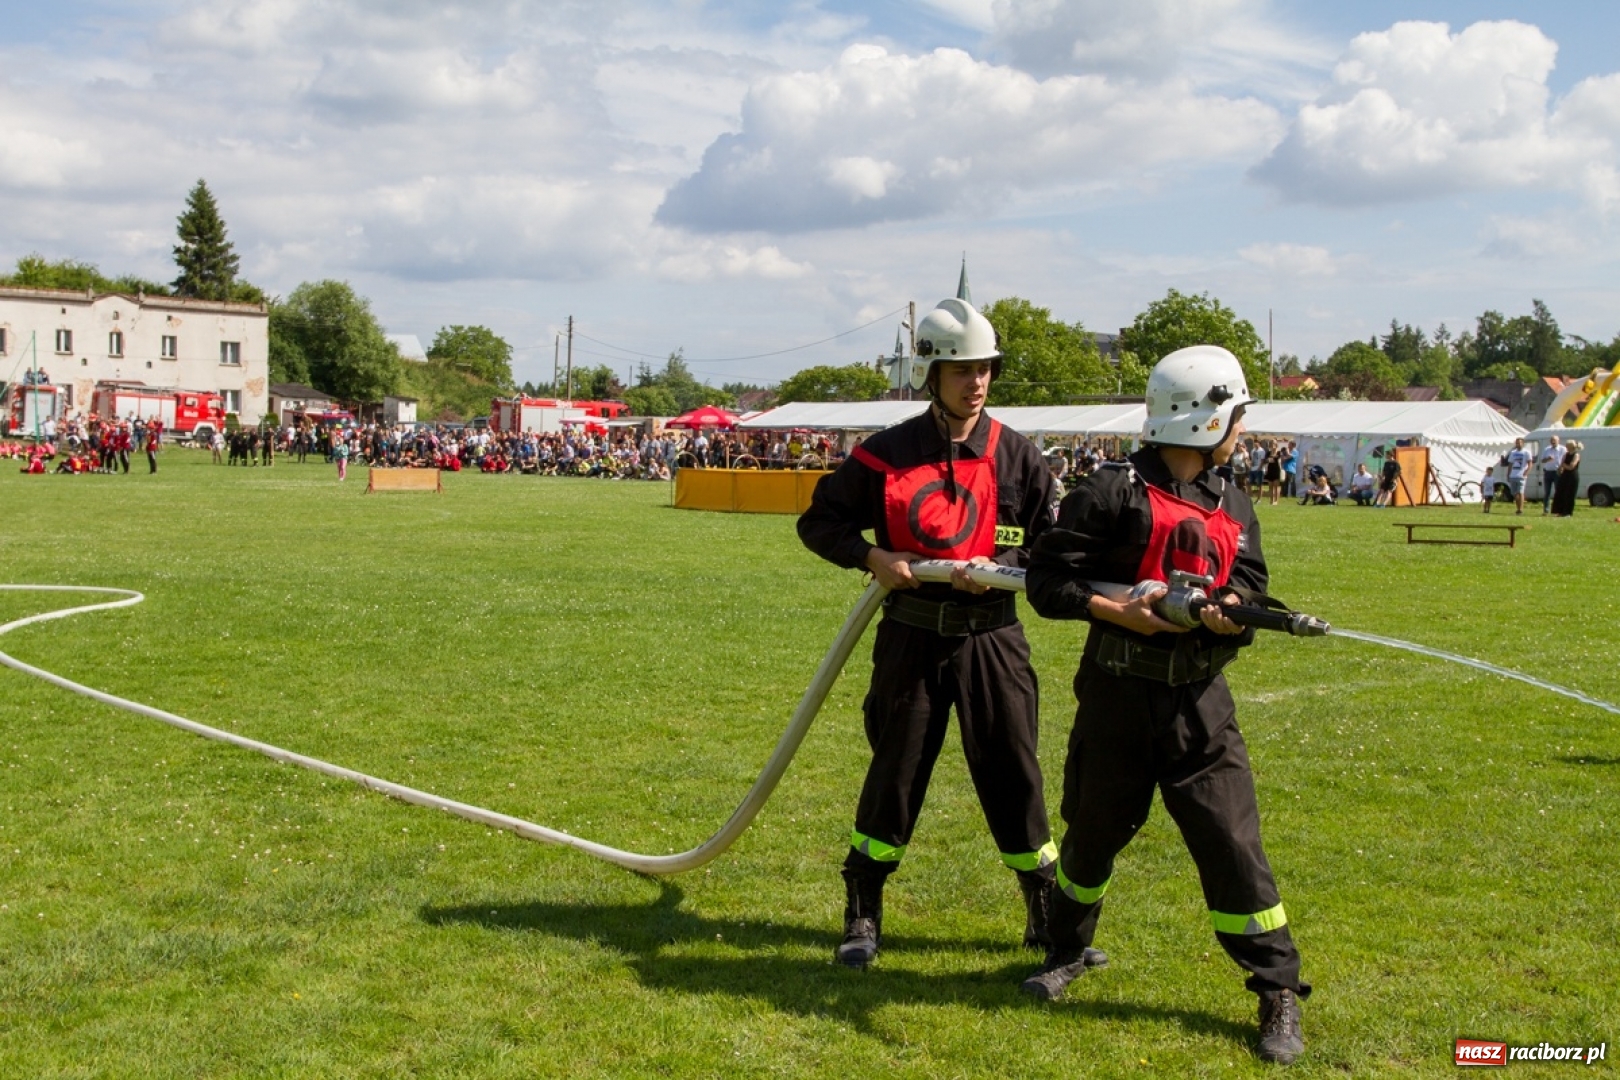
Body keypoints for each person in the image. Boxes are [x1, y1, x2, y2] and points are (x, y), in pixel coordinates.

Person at [1020, 345, 1309, 1066]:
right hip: (1117, 695)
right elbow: (1048, 582)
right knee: (1091, 835)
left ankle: (1276, 989)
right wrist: (1119, 611)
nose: (1241, 428)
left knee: (1233, 844)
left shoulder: (1233, 501)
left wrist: (1233, 609)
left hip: (1199, 706)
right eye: (1238, 415)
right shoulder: (1110, 491)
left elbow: (1250, 584)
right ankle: (1066, 952)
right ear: (1210, 418)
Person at [798, 294, 1103, 973]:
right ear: (930, 373)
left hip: (993, 639)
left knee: (1014, 774)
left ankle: (1043, 908)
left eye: (986, 368)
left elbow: (1052, 555)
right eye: (963, 369)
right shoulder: (884, 455)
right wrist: (872, 558)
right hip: (910, 637)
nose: (978, 381)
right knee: (895, 774)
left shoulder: (1021, 459)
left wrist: (1000, 570)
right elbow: (820, 523)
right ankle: (863, 905)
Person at [1551, 441, 1582, 517]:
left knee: (1569, 494)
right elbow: (1561, 464)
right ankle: (1560, 511)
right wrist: (1560, 469)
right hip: (1564, 475)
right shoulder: (1566, 454)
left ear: (1571, 446)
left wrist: (1564, 465)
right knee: (1561, 492)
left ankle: (1568, 512)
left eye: (1567, 446)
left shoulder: (1576, 455)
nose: (1566, 447)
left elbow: (1571, 466)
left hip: (1572, 476)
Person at [1504, 437, 1532, 515]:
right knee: (1514, 493)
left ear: (1523, 443)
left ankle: (1521, 509)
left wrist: (1526, 472)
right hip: (1513, 475)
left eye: (1520, 442)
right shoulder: (1513, 453)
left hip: (1521, 475)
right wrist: (1508, 474)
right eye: (1517, 443)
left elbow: (1530, 463)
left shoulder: (1527, 452)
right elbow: (1510, 464)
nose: (1518, 444)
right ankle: (1518, 507)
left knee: (1521, 492)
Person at [1538, 434, 1565, 515]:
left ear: (1558, 441)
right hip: (1548, 472)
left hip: (1557, 472)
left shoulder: (1562, 449)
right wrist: (1548, 459)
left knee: (1558, 491)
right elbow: (1542, 460)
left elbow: (1565, 460)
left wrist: (1562, 468)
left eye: (1555, 441)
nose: (1553, 442)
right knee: (1547, 492)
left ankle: (1558, 510)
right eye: (1552, 441)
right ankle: (1546, 510)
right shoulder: (1547, 449)